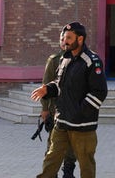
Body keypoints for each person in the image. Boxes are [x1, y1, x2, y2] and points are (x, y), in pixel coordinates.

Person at [31, 22, 108, 178]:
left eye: (68, 38)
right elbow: (60, 85)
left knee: (86, 166)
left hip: (83, 127)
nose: (64, 41)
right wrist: (48, 89)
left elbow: (100, 92)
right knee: (51, 159)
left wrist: (80, 112)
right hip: (61, 123)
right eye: (64, 37)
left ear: (80, 39)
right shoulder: (64, 59)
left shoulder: (92, 61)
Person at [39, 32, 77, 178]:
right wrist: (44, 109)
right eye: (61, 39)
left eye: (67, 38)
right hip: (55, 108)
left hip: (73, 109)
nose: (64, 42)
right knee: (53, 144)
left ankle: (68, 171)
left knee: (72, 143)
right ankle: (50, 173)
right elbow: (45, 87)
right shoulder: (54, 60)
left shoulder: (78, 59)